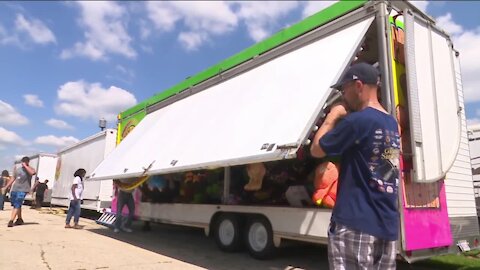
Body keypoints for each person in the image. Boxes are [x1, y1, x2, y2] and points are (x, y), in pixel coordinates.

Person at [310, 63, 400, 270]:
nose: (343, 95)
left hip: (355, 222)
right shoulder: (391, 124)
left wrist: (333, 115)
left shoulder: (357, 121)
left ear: (358, 85)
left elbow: (316, 149)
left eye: (344, 89)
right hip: (386, 224)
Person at [4, 157, 36, 227]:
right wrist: (6, 187)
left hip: (23, 190)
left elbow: (32, 173)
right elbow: (13, 178)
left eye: (26, 161)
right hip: (15, 189)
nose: (24, 162)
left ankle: (11, 220)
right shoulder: (18, 170)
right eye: (23, 161)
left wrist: (26, 166)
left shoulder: (30, 169)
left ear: (28, 162)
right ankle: (19, 219)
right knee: (16, 204)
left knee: (17, 204)